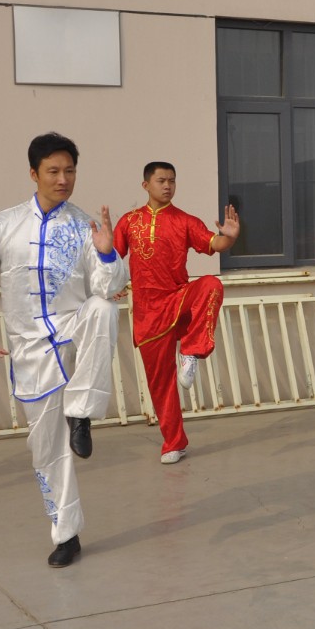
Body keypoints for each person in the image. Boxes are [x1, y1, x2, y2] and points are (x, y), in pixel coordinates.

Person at [0, 133, 128, 567]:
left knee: (103, 309)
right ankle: (66, 534)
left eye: (70, 170)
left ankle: (81, 413)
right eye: (53, 171)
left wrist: (108, 255)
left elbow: (108, 288)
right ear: (34, 173)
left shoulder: (85, 227)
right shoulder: (3, 224)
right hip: (30, 348)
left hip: (73, 330)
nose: (63, 179)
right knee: (46, 448)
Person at [113, 162, 239, 463]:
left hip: (178, 299)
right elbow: (113, 258)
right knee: (160, 384)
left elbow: (214, 243)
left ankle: (192, 352)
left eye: (172, 180)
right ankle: (173, 443)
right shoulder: (128, 222)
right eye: (161, 180)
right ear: (146, 185)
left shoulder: (185, 221)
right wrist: (110, 284)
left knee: (211, 284)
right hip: (147, 314)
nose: (167, 186)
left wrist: (230, 237)